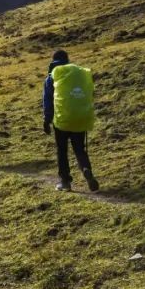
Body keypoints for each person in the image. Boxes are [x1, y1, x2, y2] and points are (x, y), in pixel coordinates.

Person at [43, 50, 99, 192]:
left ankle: (65, 181)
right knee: (79, 148)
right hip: (80, 118)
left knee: (62, 150)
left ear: (53, 61)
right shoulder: (78, 75)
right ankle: (86, 170)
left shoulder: (51, 77)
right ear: (67, 60)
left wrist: (47, 119)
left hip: (61, 120)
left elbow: (48, 101)